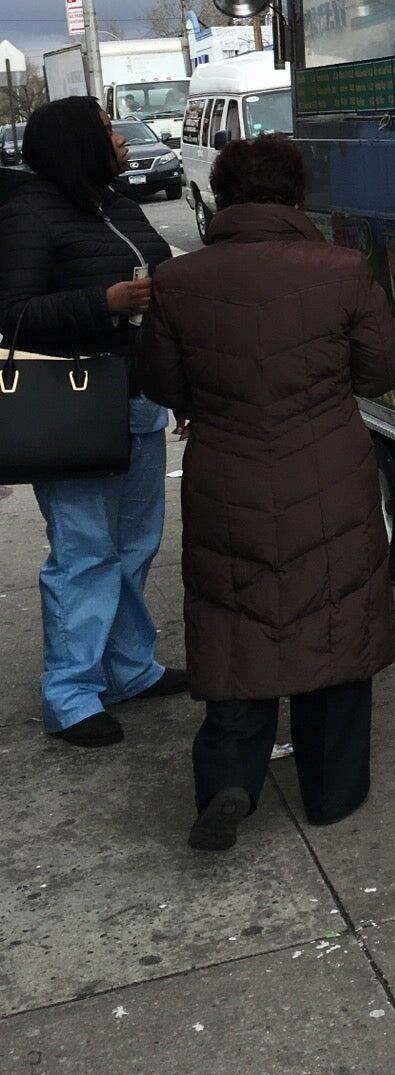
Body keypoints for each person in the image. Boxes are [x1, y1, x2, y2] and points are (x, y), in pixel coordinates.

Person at [138, 134, 395, 852]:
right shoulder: (342, 270)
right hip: (328, 471)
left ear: (223, 195)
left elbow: (162, 384)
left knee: (235, 621)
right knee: (334, 618)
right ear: (295, 195)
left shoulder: (179, 281)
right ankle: (332, 793)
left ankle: (229, 780)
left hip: (226, 471)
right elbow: (381, 369)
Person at [0, 96, 186, 746]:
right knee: (84, 554)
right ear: (79, 141)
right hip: (72, 408)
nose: (121, 138)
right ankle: (71, 695)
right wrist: (100, 303)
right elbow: (13, 315)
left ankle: (129, 667)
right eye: (108, 129)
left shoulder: (116, 203)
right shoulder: (27, 213)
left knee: (136, 546)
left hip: (137, 398)